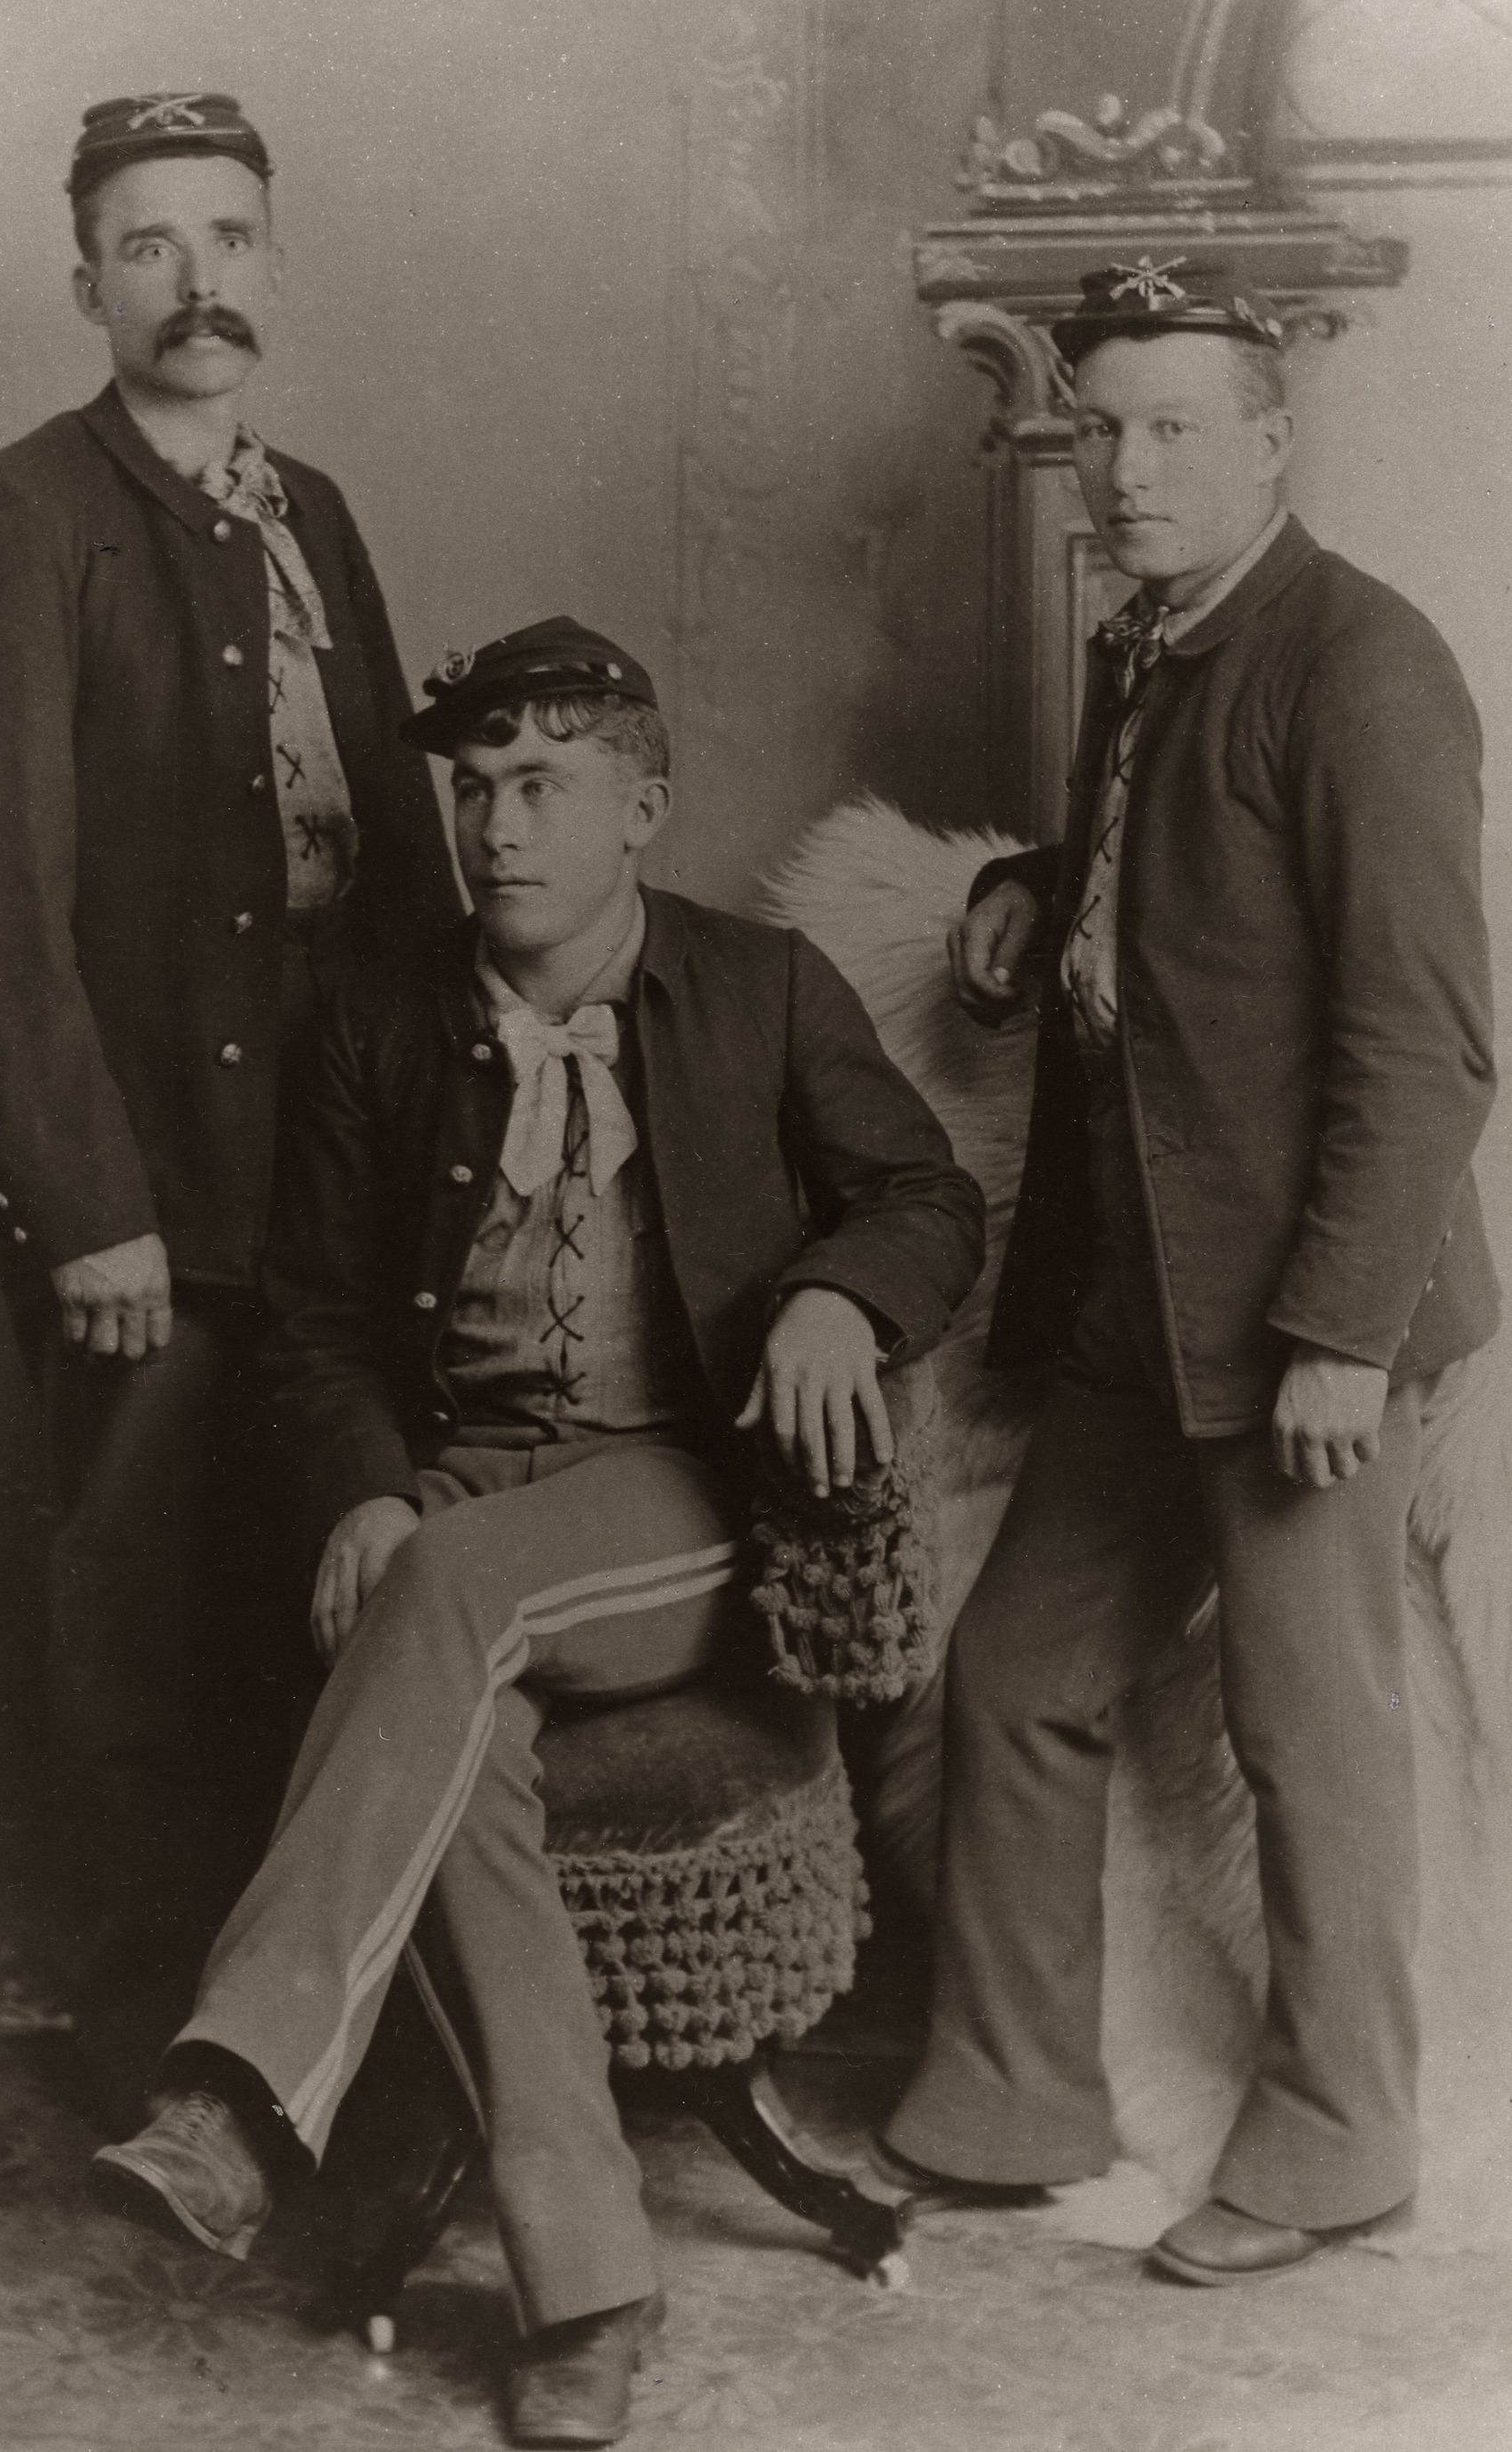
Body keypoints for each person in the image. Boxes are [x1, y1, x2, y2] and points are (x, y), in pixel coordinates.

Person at [89, 617, 986, 2443]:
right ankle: (589, 2284)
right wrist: (358, 1482)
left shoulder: (761, 986)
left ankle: (246, 2088)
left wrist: (836, 1299)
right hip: (449, 1491)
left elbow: (927, 1196)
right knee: (461, 1727)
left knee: (446, 1600)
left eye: (545, 786)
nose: (499, 827)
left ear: (640, 807)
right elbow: (320, 1315)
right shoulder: (380, 1011)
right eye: (476, 786)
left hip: (674, 1487)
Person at [876, 260, 1499, 2284]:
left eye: (1171, 431)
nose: (1125, 473)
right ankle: (1009, 2100)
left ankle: (1339, 2148)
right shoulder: (1156, 643)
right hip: (1144, 1299)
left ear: (1267, 441)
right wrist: (1022, 889)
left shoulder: (1367, 660)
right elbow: (1187, 877)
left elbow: (1428, 1043)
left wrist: (1336, 1336)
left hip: (1303, 1318)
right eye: (1100, 431)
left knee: (1306, 1731)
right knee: (1019, 1674)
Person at [0, 93, 460, 2109]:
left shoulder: (310, 505)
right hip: (141, 1175)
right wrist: (91, 1200)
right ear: (88, 283)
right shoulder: (14, 520)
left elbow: (395, 850)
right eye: (151, 246)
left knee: (330, 1581)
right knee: (144, 1610)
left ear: (272, 268)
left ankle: (318, 2037)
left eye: (230, 239)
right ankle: (164, 2066)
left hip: (326, 1157)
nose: (198, 282)